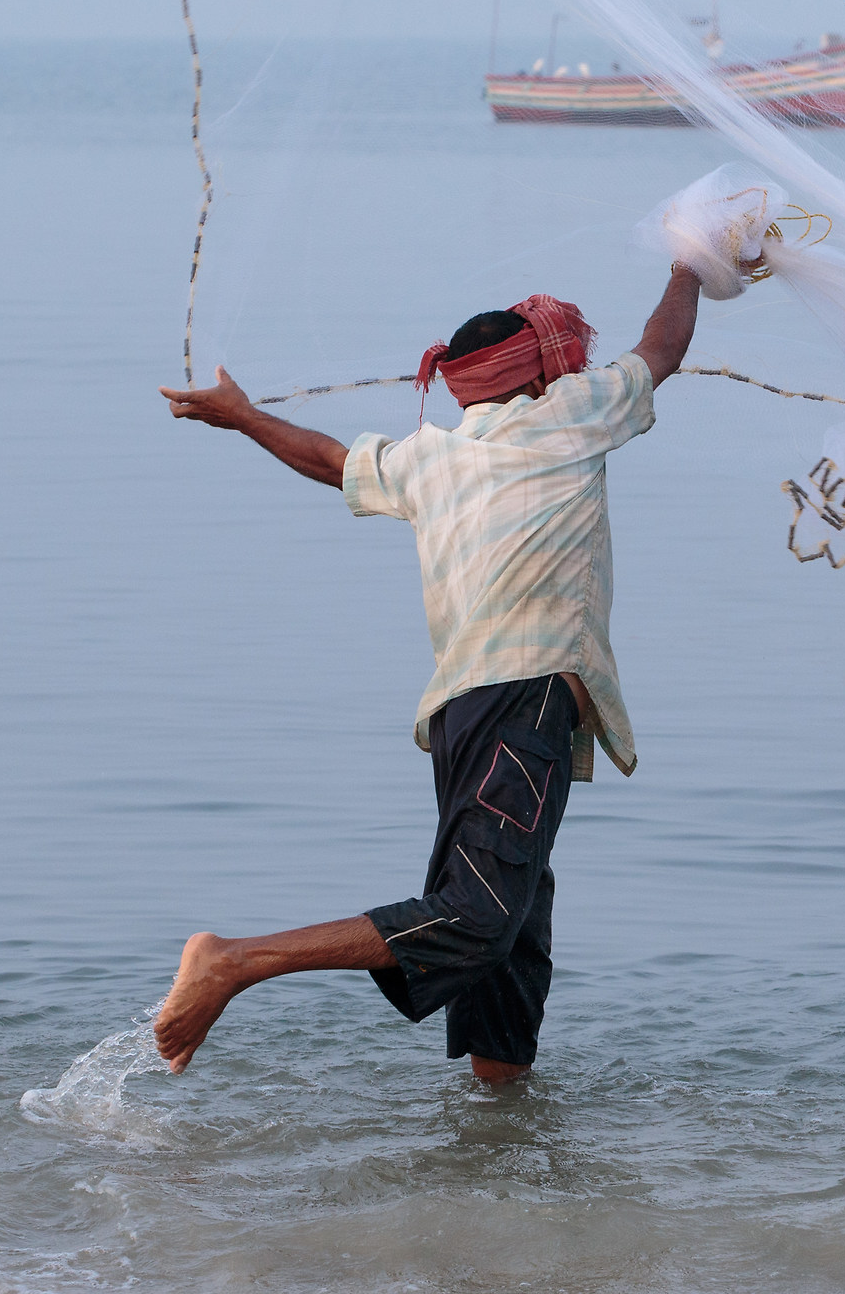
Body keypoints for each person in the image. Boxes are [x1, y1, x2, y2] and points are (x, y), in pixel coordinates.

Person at [150, 265, 703, 1081]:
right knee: (479, 916)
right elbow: (665, 345)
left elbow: (330, 460)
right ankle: (235, 961)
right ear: (538, 374)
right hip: (525, 697)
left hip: (462, 715)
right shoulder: (573, 418)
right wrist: (691, 263)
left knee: (511, 930)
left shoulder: (428, 458)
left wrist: (242, 419)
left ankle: (499, 1120)